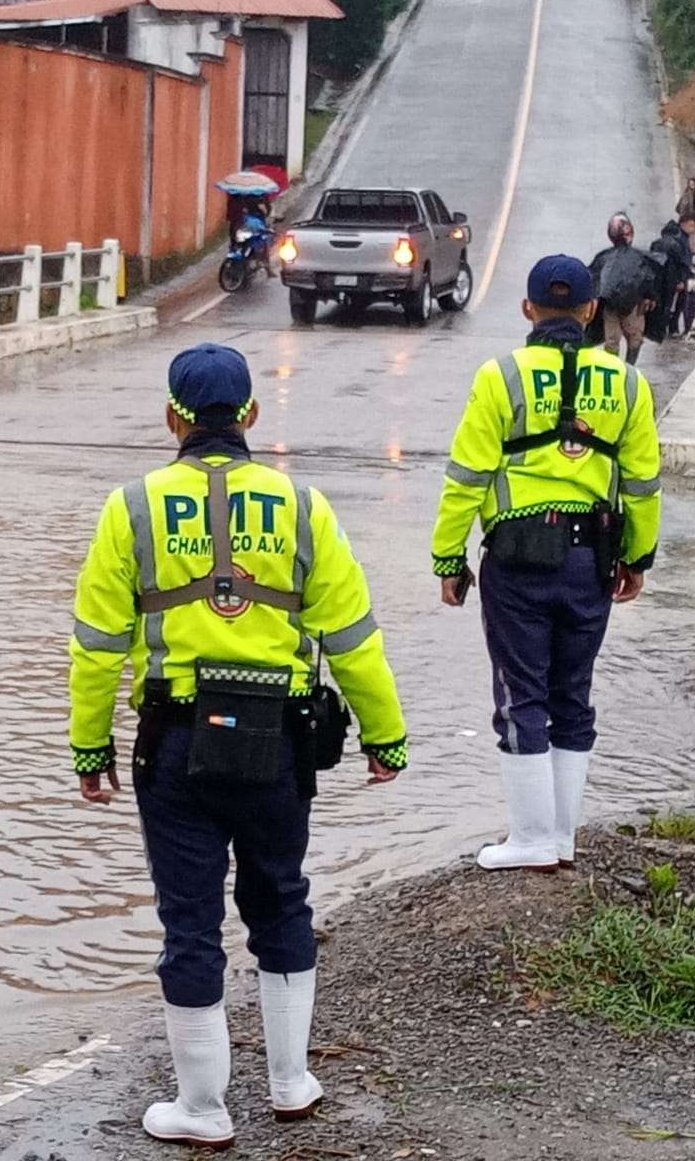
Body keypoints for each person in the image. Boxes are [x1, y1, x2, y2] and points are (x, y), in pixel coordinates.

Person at [68, 344, 409, 1149]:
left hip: (175, 742)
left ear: (173, 420)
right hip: (278, 743)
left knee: (189, 922)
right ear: (251, 416)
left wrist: (90, 752)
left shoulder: (132, 509)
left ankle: (202, 1110)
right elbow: (354, 640)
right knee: (281, 898)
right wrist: (385, 736)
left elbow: (96, 648)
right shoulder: (304, 508)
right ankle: (290, 1084)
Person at [430, 256, 661, 872]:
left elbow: (466, 480)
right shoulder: (628, 385)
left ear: (528, 309)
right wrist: (638, 557)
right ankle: (560, 839)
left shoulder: (499, 377)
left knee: (521, 695)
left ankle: (531, 839)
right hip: (593, 560)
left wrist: (448, 559)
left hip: (517, 560)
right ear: (591, 311)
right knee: (573, 694)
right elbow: (642, 484)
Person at [588, 213, 658, 365]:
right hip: (620, 307)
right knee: (620, 340)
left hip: (630, 306)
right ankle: (620, 369)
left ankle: (623, 368)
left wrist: (649, 297)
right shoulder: (635, 257)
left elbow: (647, 279)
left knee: (628, 339)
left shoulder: (605, 257)